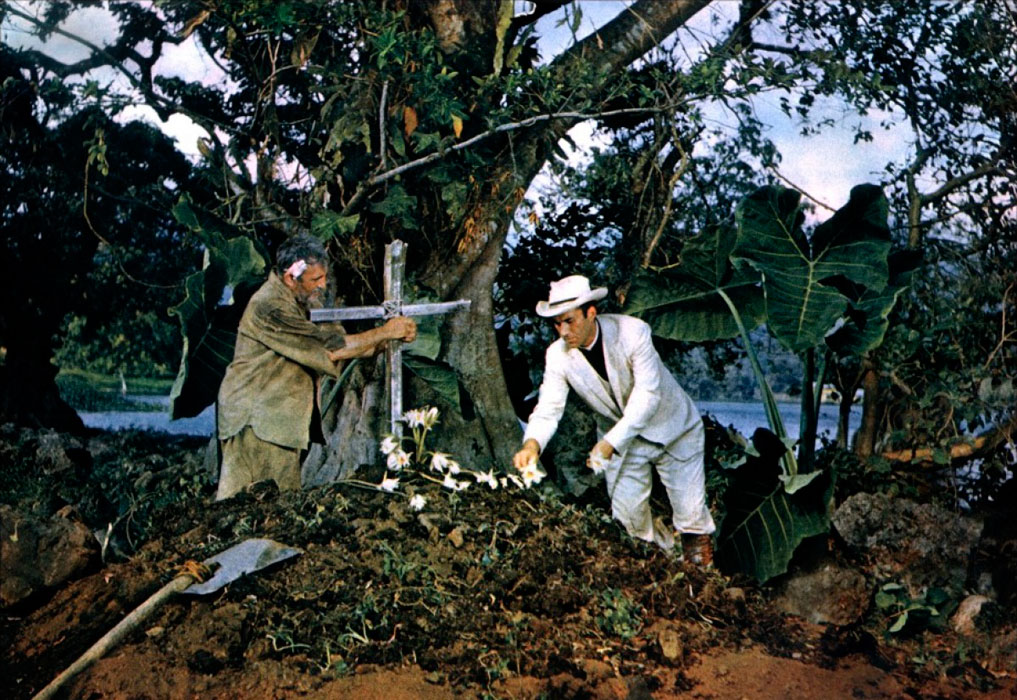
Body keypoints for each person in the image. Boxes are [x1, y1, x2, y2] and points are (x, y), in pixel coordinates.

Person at [512, 275, 716, 564]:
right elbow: (548, 407)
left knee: (691, 515)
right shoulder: (557, 356)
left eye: (570, 321)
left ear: (591, 313)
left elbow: (647, 397)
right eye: (557, 323)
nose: (563, 331)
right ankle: (661, 575)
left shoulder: (633, 333)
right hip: (622, 443)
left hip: (675, 430)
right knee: (629, 522)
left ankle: (704, 583)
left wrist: (610, 443)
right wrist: (532, 444)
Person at [216, 233, 416, 500]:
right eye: (315, 280)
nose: (321, 286)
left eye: (323, 278)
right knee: (253, 504)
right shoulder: (270, 307)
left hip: (274, 421)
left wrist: (387, 339)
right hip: (257, 422)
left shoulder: (294, 301)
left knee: (276, 502)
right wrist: (386, 332)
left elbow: (343, 347)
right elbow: (332, 349)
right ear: (290, 278)